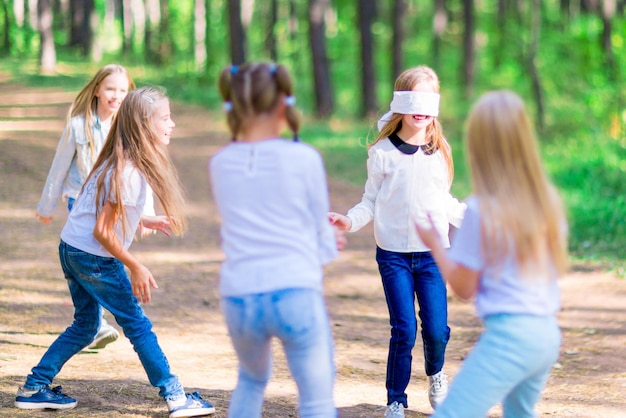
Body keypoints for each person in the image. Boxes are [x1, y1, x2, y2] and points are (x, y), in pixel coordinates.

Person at [15, 86, 215, 418]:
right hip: (93, 257)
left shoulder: (120, 162)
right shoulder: (128, 172)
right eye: (165, 117)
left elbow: (97, 214)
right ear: (143, 124)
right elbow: (103, 231)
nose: (172, 124)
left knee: (85, 326)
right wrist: (135, 265)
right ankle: (176, 396)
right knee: (137, 324)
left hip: (72, 249)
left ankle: (35, 386)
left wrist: (146, 217)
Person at [416, 90, 568, 418]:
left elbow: (463, 288)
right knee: (518, 413)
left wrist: (434, 242)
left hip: (509, 338)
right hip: (546, 335)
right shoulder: (548, 202)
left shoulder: (481, 209)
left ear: (478, 146)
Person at [328, 65, 465, 417]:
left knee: (436, 330)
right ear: (400, 103)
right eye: (414, 99)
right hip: (393, 256)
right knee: (403, 328)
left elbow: (444, 201)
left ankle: (436, 374)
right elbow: (370, 201)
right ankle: (396, 400)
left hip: (433, 255)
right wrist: (350, 220)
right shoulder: (383, 152)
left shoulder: (440, 152)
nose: (421, 108)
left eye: (428, 100)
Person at [210, 62, 343, 418]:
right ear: (283, 105)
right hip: (294, 289)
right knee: (315, 400)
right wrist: (328, 245)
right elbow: (319, 230)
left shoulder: (220, 163)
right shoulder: (304, 157)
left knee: (251, 381)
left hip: (239, 296)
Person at [35, 64, 143, 350]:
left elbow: (139, 171)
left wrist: (146, 213)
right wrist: (46, 205)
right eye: (110, 89)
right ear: (96, 90)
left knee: (108, 259)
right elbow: (59, 166)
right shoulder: (77, 124)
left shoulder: (127, 127)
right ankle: (98, 323)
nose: (115, 95)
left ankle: (94, 322)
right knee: (90, 259)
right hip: (80, 201)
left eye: (122, 90)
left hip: (113, 204)